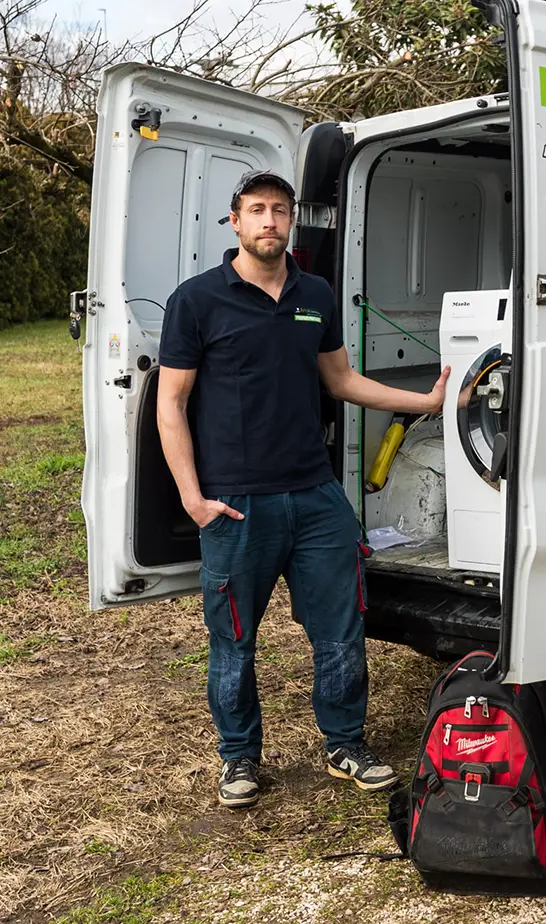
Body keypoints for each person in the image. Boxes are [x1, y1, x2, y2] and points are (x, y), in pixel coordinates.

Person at [156, 168, 450, 809]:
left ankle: (345, 743)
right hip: (237, 502)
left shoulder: (314, 292)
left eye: (280, 211)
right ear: (234, 220)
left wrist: (423, 400)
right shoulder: (198, 300)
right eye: (257, 210)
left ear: (292, 221)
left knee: (341, 629)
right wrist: (191, 497)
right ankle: (238, 760)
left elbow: (341, 380)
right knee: (234, 639)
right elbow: (170, 403)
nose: (269, 221)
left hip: (315, 497)